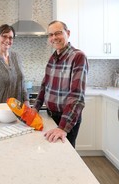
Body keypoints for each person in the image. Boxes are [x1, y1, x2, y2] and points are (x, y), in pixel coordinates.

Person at [33, 20, 89, 148]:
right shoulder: (52, 58)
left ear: (67, 33)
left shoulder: (78, 57)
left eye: (58, 33)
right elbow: (44, 86)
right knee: (51, 153)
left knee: (65, 156)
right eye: (51, 35)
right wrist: (35, 108)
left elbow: (77, 96)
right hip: (50, 115)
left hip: (66, 119)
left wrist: (63, 128)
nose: (54, 38)